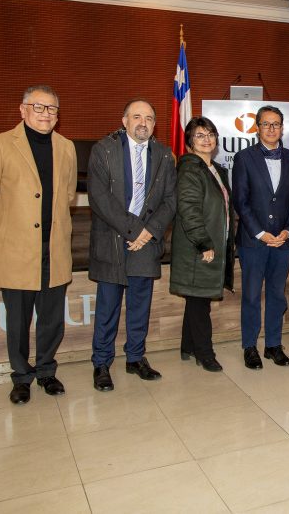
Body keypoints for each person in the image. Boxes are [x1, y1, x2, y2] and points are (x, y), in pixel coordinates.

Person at [0, 85, 77, 405]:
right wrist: (11, 225)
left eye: (52, 109)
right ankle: (21, 377)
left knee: (51, 318)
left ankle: (46, 371)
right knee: (19, 321)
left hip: (54, 249)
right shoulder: (1, 144)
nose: (46, 114)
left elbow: (70, 194)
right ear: (22, 110)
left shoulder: (66, 147)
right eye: (39, 107)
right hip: (17, 250)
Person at [87, 99, 176, 391]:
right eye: (137, 117)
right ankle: (101, 363)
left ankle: (135, 357)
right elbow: (100, 199)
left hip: (146, 243)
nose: (143, 123)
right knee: (108, 307)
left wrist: (148, 233)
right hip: (114, 239)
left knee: (140, 305)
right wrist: (133, 231)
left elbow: (170, 200)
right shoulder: (104, 150)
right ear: (124, 120)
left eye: (149, 118)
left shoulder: (164, 155)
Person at [232, 105, 289, 370]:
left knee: (277, 295)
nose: (271, 129)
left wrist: (288, 231)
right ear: (257, 128)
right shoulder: (244, 158)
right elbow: (241, 201)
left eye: (276, 124)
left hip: (283, 241)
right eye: (266, 124)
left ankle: (273, 344)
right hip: (253, 241)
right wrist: (262, 233)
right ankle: (249, 346)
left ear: (282, 127)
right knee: (251, 295)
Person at [170, 116, 234, 372]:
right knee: (200, 300)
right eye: (199, 135)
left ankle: (188, 345)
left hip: (213, 243)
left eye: (210, 134)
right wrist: (204, 243)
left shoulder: (214, 169)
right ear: (189, 142)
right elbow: (189, 209)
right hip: (199, 246)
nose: (206, 139)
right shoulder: (190, 169)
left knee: (198, 299)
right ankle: (205, 354)